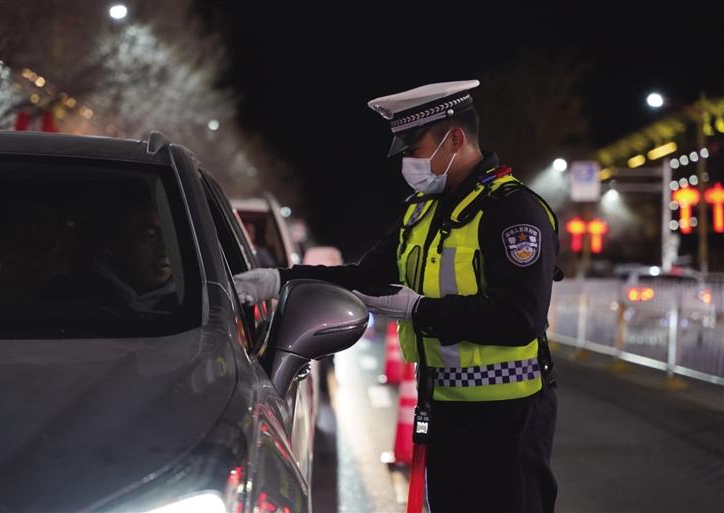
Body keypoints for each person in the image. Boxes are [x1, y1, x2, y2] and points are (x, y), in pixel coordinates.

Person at [234, 80, 560, 513]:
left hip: (507, 419)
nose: (407, 161)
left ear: (455, 139)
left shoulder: (512, 211)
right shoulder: (422, 212)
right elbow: (363, 277)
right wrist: (278, 280)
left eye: (414, 147)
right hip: (444, 409)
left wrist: (419, 309)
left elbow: (520, 318)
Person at [42, 199, 178, 317]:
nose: (165, 250)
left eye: (171, 234)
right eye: (149, 235)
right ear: (117, 240)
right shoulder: (68, 296)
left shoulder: (184, 303)